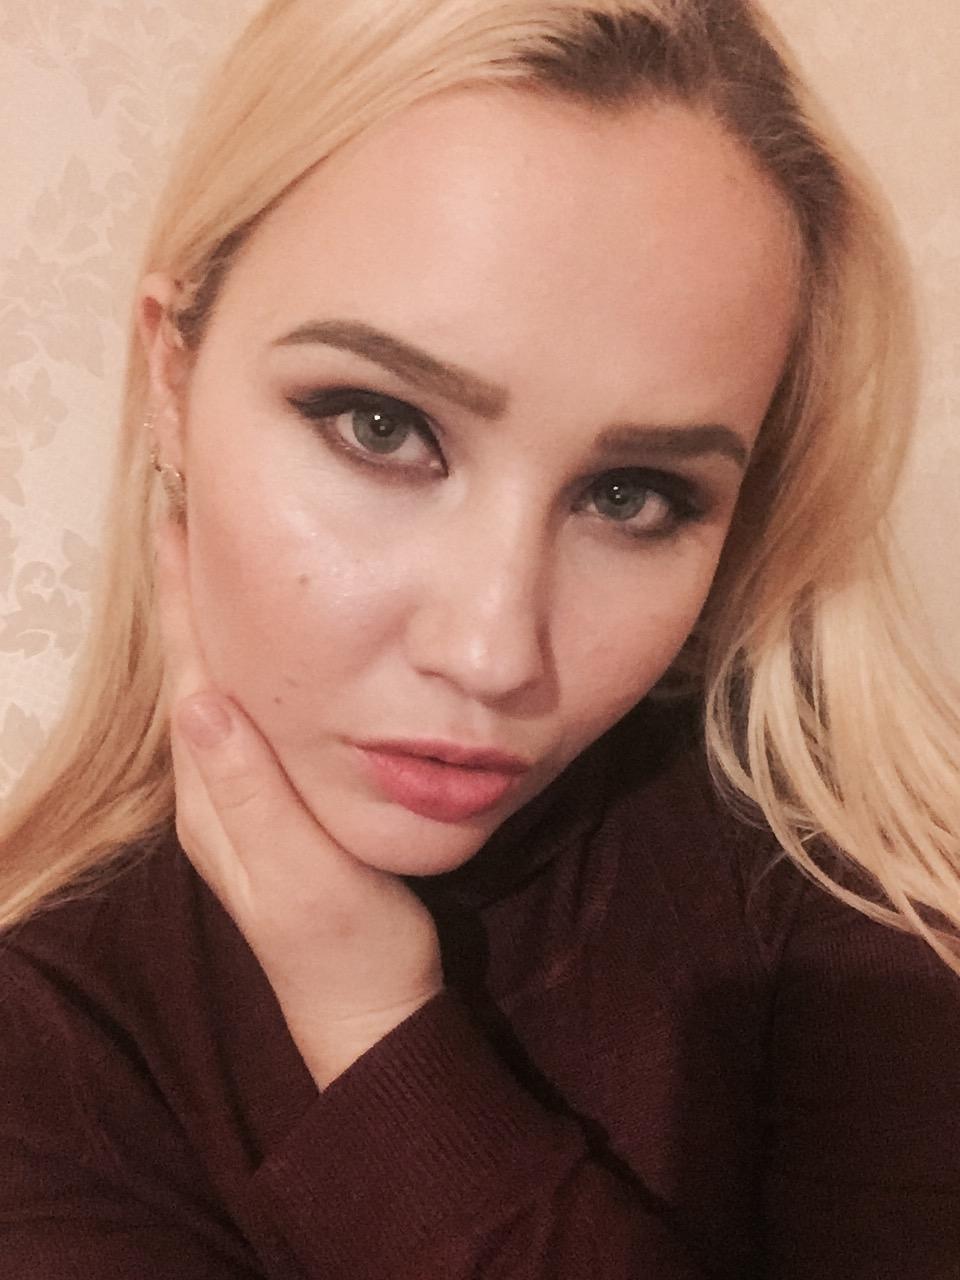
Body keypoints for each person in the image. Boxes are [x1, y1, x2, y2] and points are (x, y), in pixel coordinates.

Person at [1, 0, 959, 1274]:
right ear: (172, 379)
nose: (494, 652)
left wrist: (373, 1030)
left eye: (633, 495)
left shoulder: (844, 879)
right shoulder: (45, 1042)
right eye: (382, 426)